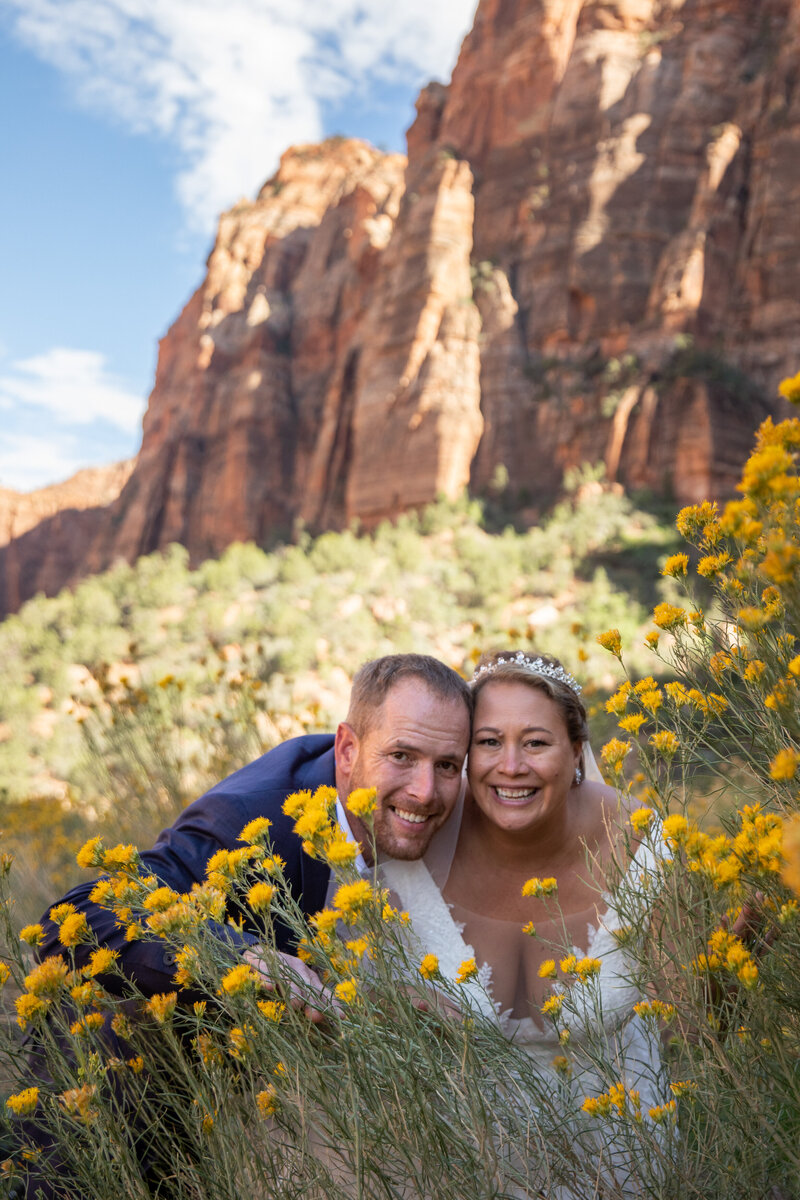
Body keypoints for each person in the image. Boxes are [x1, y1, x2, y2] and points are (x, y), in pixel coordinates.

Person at [36, 652, 472, 1016]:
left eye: (447, 765)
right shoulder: (247, 820)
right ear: (347, 750)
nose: (426, 791)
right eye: (401, 755)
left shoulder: (459, 808)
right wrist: (247, 957)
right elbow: (76, 914)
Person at [381, 650, 668, 1197]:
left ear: (576, 752)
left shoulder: (644, 843)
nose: (510, 765)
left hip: (625, 1166)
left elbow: (700, 1013)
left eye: (535, 742)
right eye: (488, 742)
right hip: (466, 1169)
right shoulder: (413, 841)